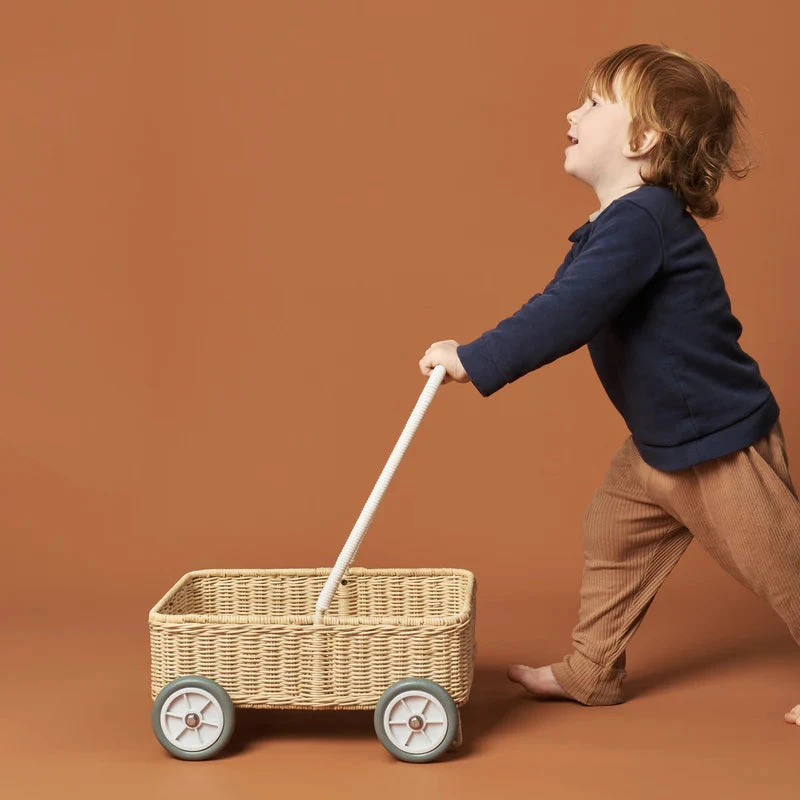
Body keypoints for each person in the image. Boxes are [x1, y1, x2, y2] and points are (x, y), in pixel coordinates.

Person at [418, 43, 800, 725]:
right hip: (658, 444)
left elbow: (566, 313)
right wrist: (475, 349)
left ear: (641, 138)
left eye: (593, 103)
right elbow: (556, 300)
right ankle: (593, 669)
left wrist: (474, 357)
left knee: (781, 561)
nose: (573, 112)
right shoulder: (614, 227)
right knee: (612, 537)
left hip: (719, 444)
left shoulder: (644, 221)